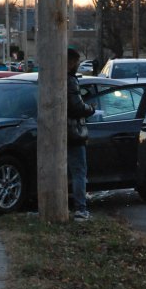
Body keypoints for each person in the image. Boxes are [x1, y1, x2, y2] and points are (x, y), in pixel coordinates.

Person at [66, 47, 95, 221]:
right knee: (79, 172)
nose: (77, 65)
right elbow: (76, 106)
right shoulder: (70, 81)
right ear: (70, 62)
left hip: (58, 132)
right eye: (76, 62)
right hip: (73, 132)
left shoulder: (53, 77)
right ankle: (80, 209)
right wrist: (91, 109)